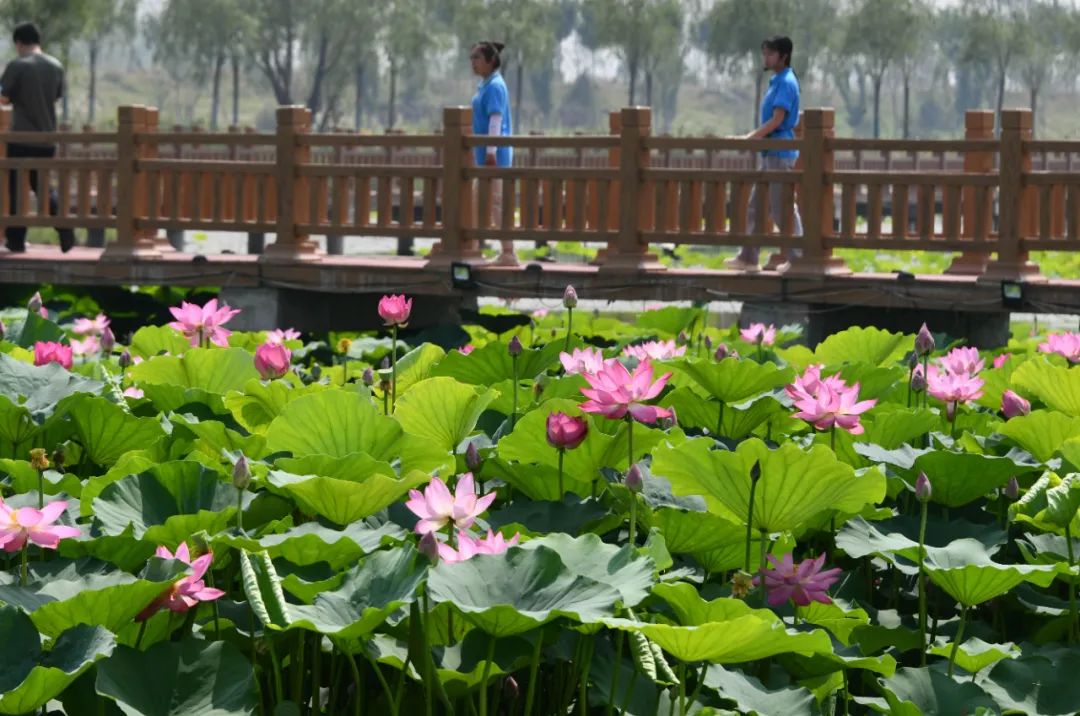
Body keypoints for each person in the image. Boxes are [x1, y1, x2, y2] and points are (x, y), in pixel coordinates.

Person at [724, 35, 802, 273]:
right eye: (764, 53)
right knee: (756, 207)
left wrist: (750, 138)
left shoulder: (787, 82)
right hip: (771, 152)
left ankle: (799, 258)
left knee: (783, 208)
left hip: (780, 151)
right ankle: (749, 257)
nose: (765, 58)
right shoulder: (776, 80)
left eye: (770, 53)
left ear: (783, 56)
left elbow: (777, 120)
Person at [0, 22, 74, 253]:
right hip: (47, 139)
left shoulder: (18, 65)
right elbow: (57, 97)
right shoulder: (56, 66)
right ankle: (64, 227)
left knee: (15, 189)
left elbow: (3, 98)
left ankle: (16, 240)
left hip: (21, 138)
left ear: (19, 43)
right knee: (42, 188)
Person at [470, 40, 517, 266]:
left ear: (491, 61)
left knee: (497, 202)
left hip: (494, 156)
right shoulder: (486, 85)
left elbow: (495, 119)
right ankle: (472, 247)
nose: (473, 63)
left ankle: (508, 253)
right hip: (485, 155)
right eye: (472, 58)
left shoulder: (496, 86)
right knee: (476, 199)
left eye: (477, 58)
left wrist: (491, 151)